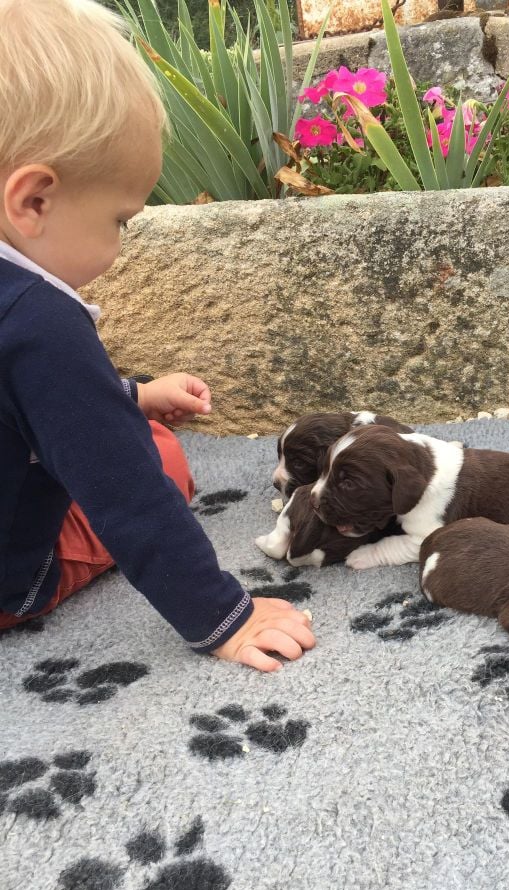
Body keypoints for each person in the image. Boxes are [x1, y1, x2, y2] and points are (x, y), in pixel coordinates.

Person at [0, 0, 315, 671]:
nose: (119, 245)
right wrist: (222, 616)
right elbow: (124, 491)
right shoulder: (40, 319)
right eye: (119, 220)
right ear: (32, 201)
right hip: (11, 578)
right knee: (159, 456)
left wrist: (128, 393)